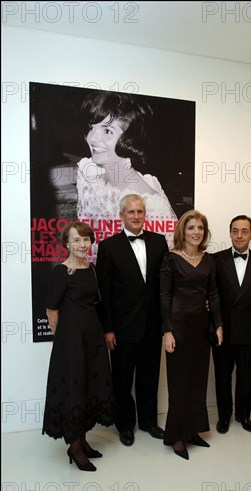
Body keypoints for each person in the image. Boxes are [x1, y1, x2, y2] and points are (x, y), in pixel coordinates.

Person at [95, 193, 168, 446]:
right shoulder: (108, 247)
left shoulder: (160, 242)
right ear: (122, 215)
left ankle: (148, 421)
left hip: (152, 324)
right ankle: (125, 425)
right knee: (122, 379)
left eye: (140, 212)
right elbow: (104, 292)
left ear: (145, 214)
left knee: (150, 376)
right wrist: (108, 328)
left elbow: (164, 286)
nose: (136, 216)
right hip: (122, 328)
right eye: (131, 212)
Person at [42, 222, 114, 471]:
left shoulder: (91, 269)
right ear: (67, 244)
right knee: (73, 386)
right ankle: (74, 446)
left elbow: (98, 303)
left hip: (92, 336)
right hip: (70, 340)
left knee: (89, 384)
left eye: (86, 240)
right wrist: (62, 340)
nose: (82, 245)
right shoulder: (60, 272)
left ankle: (83, 439)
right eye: (77, 240)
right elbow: (51, 310)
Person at [76, 90, 178, 253]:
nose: (92, 138)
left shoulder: (152, 207)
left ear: (130, 139)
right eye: (91, 128)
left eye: (107, 131)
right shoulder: (88, 174)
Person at [160, 210, 223, 460]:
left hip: (201, 328)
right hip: (178, 328)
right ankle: (176, 435)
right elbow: (163, 296)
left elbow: (214, 295)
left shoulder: (209, 260)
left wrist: (218, 324)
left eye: (200, 228)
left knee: (198, 381)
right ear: (182, 231)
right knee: (179, 383)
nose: (196, 232)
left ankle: (194, 430)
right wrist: (166, 330)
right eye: (191, 228)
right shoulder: (170, 259)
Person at [212, 215, 251, 435]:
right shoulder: (215, 260)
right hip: (222, 331)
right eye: (235, 230)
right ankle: (224, 417)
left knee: (245, 375)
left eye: (244, 231)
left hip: (249, 331)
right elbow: (211, 295)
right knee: (222, 376)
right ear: (229, 233)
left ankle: (243, 415)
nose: (239, 235)